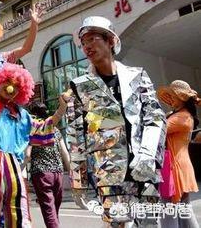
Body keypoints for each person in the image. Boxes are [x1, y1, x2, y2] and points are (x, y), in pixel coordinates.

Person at [65, 16, 166, 227]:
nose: (86, 46)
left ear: (110, 41)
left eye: (92, 39)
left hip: (144, 171)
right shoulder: (80, 86)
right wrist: (79, 183)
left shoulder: (137, 76)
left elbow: (155, 116)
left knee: (151, 224)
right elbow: (76, 136)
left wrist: (148, 155)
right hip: (109, 176)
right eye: (83, 43)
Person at [0, 63, 65, 227]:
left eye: (17, 86)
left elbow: (43, 128)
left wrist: (61, 110)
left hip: (12, 168)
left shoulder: (21, 115)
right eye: (8, 82)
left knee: (15, 212)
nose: (11, 89)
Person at [157, 80, 200, 228]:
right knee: (184, 212)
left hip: (174, 167)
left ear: (181, 97)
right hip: (180, 165)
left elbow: (158, 130)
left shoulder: (182, 117)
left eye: (173, 95)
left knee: (168, 212)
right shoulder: (179, 115)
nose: (170, 99)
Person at [25, 101, 70, 228]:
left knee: (49, 211)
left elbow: (28, 154)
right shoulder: (55, 130)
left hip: (41, 174)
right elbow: (65, 153)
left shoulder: (33, 130)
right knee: (54, 210)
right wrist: (71, 172)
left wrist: (18, 170)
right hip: (58, 173)